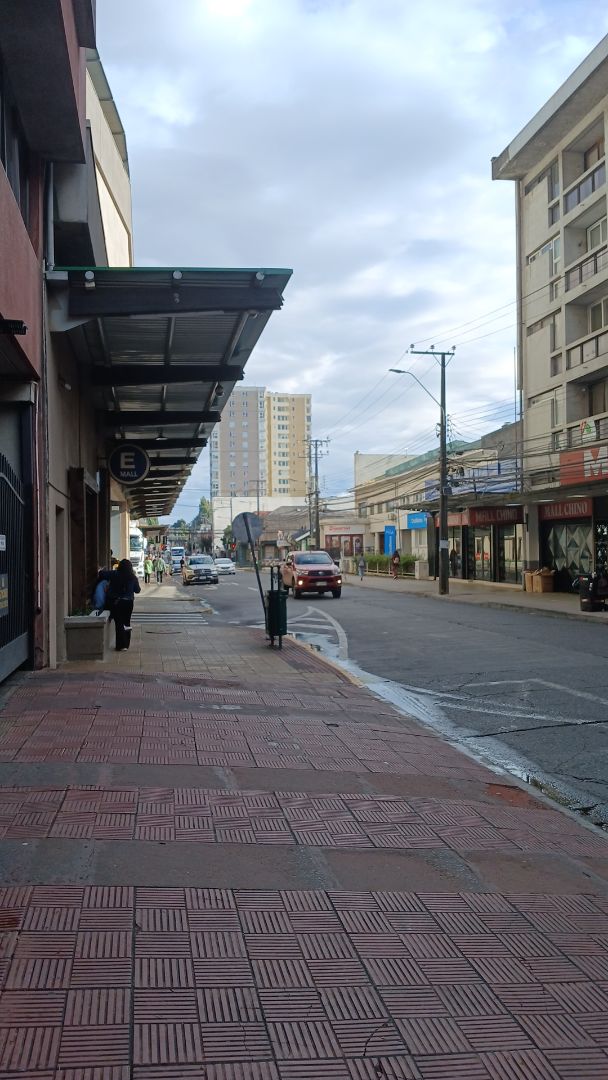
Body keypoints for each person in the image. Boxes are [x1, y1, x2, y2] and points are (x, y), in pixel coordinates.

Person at [99, 558, 140, 651]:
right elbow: (137, 590)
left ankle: (120, 645)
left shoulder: (115, 574)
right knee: (127, 622)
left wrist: (100, 569)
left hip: (117, 602)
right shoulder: (133, 577)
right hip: (129, 602)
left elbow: (102, 574)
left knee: (119, 623)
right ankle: (126, 645)